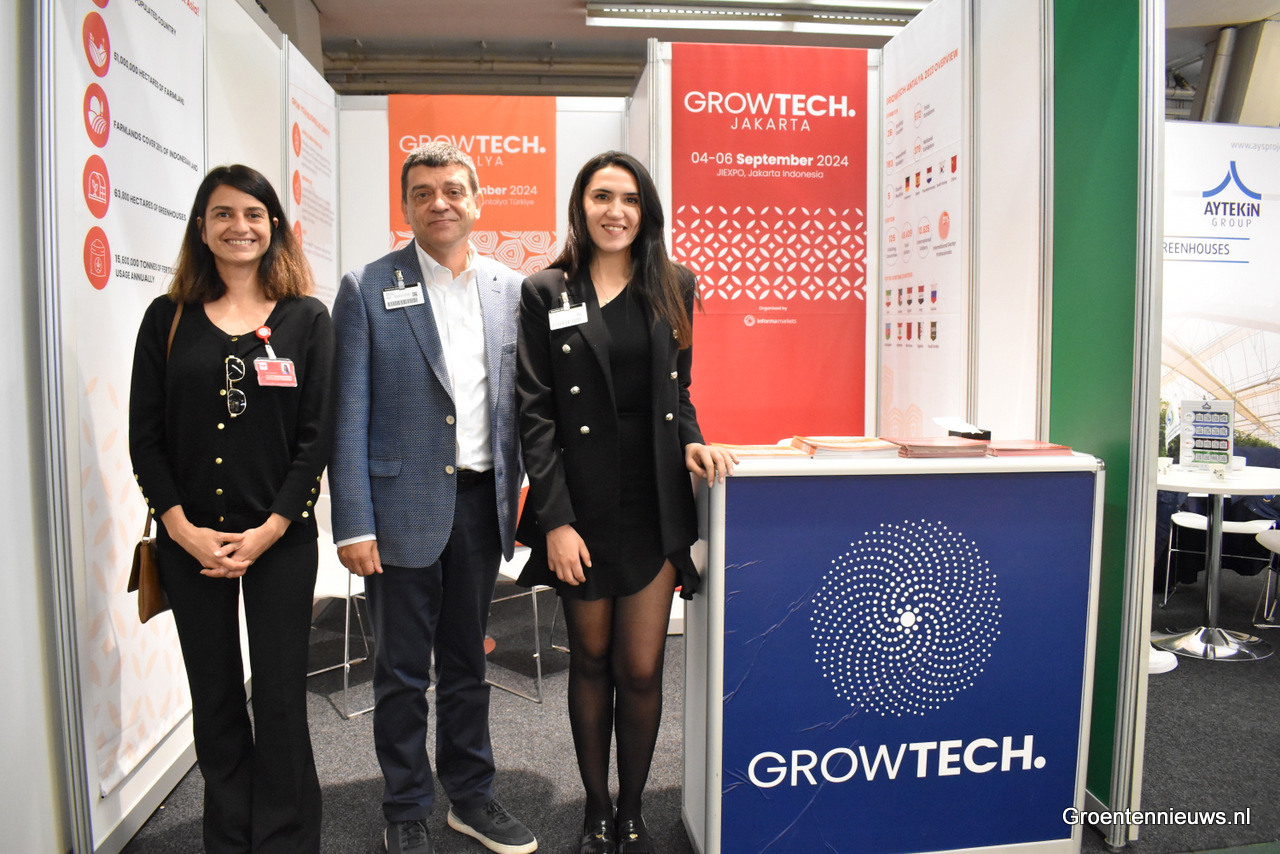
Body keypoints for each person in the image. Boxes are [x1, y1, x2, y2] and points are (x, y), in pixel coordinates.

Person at [515, 151, 736, 854]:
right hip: (579, 505)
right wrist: (555, 520)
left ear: (646, 211)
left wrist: (694, 441)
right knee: (590, 660)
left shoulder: (674, 284)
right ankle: (595, 807)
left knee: (640, 668)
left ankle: (633, 810)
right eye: (602, 196)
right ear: (580, 206)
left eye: (630, 199)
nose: (616, 211)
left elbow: (679, 389)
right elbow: (535, 413)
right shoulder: (546, 290)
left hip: (652, 500)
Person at [329, 142, 537, 854]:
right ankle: (406, 806)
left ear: (476, 201)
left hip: (480, 504)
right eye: (422, 193)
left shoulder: (511, 289)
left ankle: (471, 797)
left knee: (468, 664)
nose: (438, 203)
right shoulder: (367, 286)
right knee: (399, 671)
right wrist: (353, 522)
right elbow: (347, 413)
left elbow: (521, 405)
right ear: (406, 205)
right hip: (397, 513)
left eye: (452, 190)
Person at [129, 164, 333, 853]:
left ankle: (284, 837)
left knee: (278, 698)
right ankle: (230, 836)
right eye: (223, 214)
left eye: (253, 214)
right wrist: (180, 528)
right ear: (201, 227)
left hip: (281, 540)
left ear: (274, 225)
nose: (238, 226)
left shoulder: (306, 319)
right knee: (214, 696)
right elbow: (145, 437)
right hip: (189, 543)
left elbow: (316, 438)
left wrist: (270, 528)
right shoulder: (166, 318)